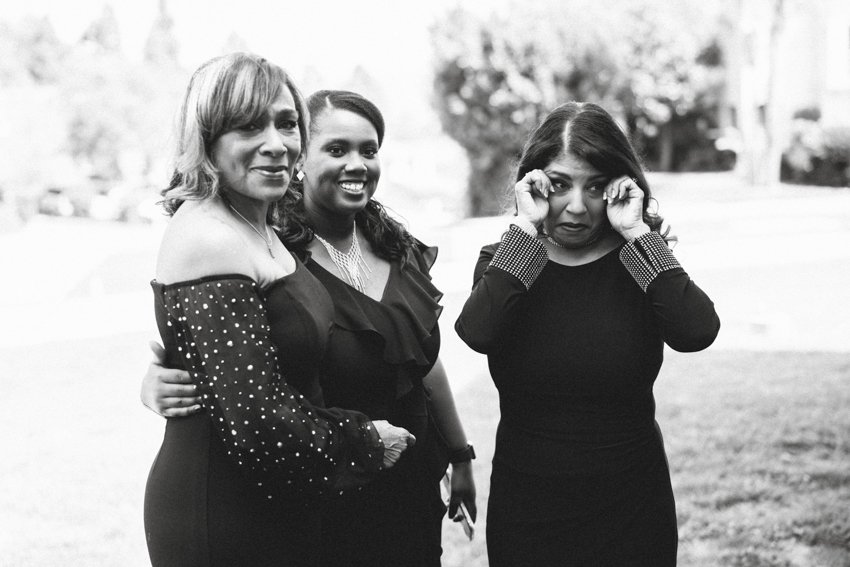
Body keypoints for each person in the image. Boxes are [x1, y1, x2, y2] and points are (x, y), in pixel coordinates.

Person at [143, 89, 477, 566]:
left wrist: (459, 454)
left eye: (369, 150)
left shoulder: (399, 247)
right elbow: (224, 351)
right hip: (330, 488)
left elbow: (423, 361)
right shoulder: (274, 252)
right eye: (336, 150)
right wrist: (159, 382)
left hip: (409, 479)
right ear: (301, 160)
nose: (357, 164)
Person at [454, 101, 720, 566]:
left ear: (620, 186)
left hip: (631, 508)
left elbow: (697, 331)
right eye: (559, 185)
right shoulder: (508, 261)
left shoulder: (640, 261)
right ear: (533, 184)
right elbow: (476, 331)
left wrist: (639, 235)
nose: (576, 206)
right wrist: (525, 232)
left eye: (595, 186)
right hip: (529, 509)